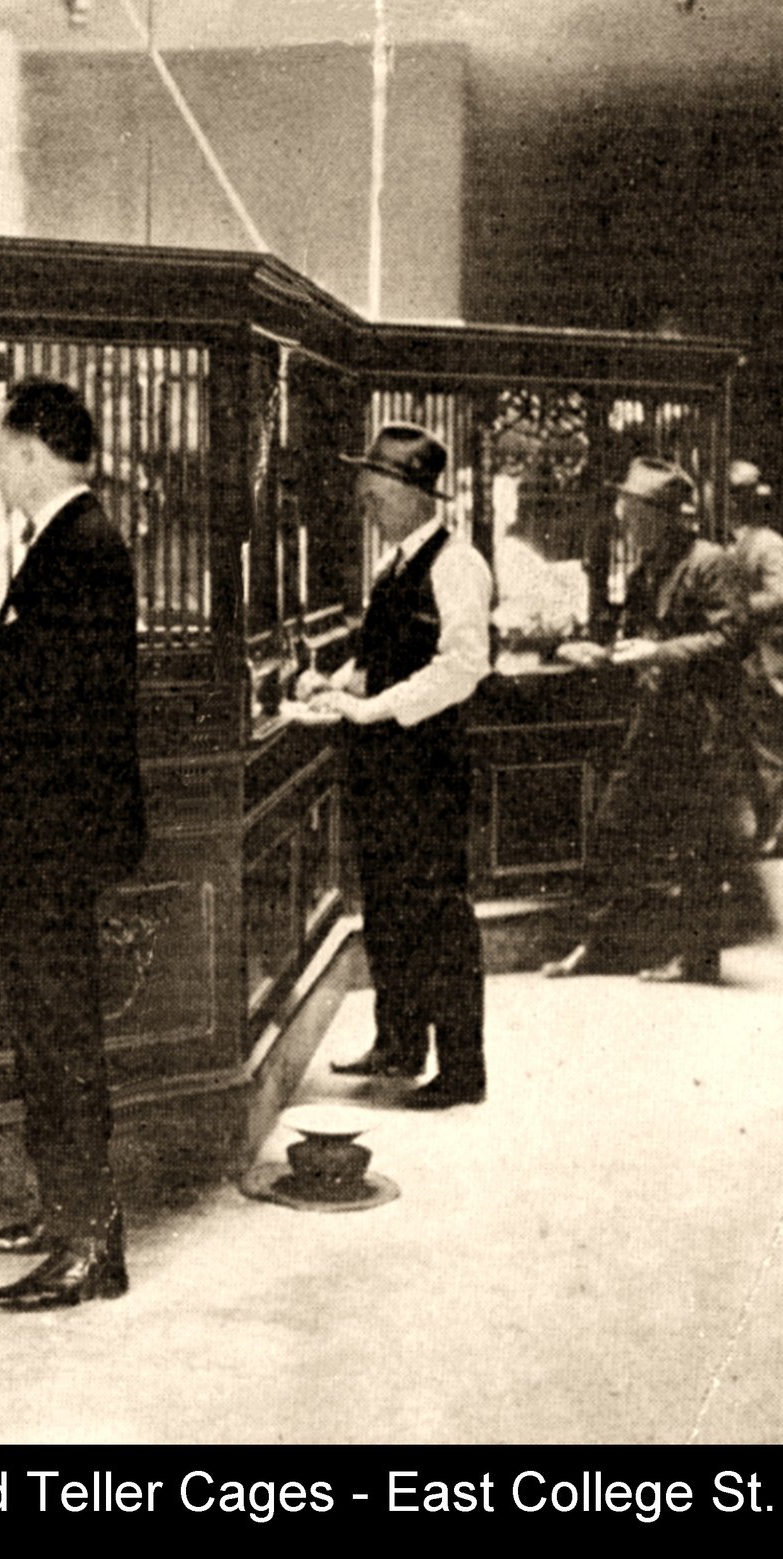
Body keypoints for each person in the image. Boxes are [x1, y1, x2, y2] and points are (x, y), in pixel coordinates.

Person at [0, 379, 146, 1310]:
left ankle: (91, 1244)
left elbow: (58, 694)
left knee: (61, 1035)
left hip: (56, 837)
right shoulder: (66, 540)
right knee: (46, 1032)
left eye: (3, 455)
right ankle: (63, 1212)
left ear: (33, 453)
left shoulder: (82, 545)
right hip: (42, 835)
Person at [294, 423, 493, 1109]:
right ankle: (399, 1042)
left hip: (429, 770)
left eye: (376, 494)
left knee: (437, 915)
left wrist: (372, 708)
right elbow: (385, 653)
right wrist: (336, 684)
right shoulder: (396, 565)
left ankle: (462, 1071)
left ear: (413, 494)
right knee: (388, 907)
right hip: (386, 770)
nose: (367, 504)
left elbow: (463, 666)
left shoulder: (456, 564)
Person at [543, 457, 746, 983]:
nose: (624, 524)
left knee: (696, 842)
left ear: (662, 516)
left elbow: (732, 638)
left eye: (632, 515)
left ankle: (697, 959)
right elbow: (634, 638)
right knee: (613, 826)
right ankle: (603, 944)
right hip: (655, 717)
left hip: (702, 723)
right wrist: (598, 653)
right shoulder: (646, 570)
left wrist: (658, 654)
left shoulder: (710, 563)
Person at [727, 460, 783, 856]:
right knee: (750, 749)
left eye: (739, 495)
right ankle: (767, 826)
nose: (735, 502)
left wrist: (736, 607)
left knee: (770, 749)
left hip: (768, 659)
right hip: (745, 660)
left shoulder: (770, 544)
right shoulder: (734, 540)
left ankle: (782, 830)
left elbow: (782, 595)